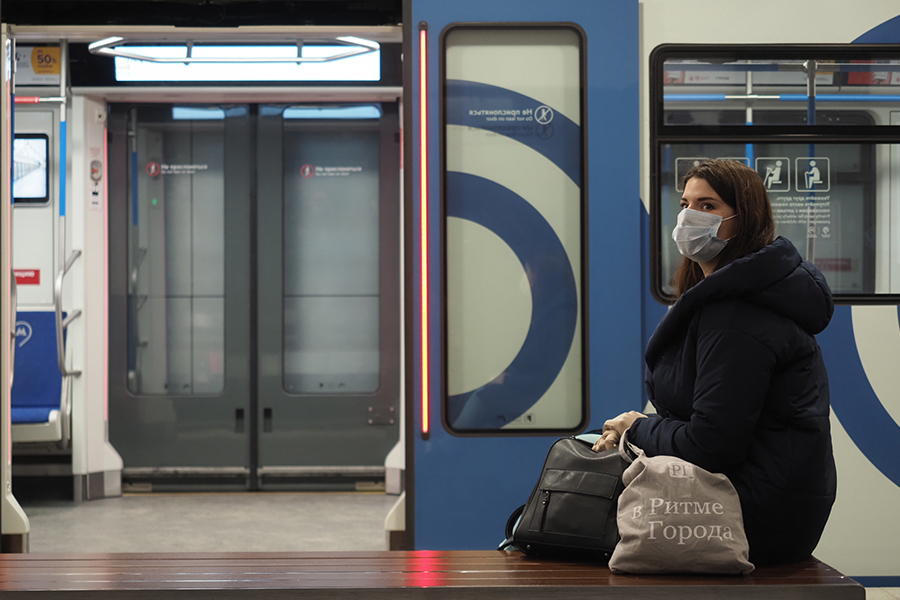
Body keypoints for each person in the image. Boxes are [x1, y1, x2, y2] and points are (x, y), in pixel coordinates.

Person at [594, 159, 836, 566]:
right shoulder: (729, 299)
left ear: (745, 220)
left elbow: (710, 444)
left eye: (708, 206)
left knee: (576, 523)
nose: (689, 217)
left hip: (751, 516)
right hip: (754, 502)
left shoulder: (737, 315)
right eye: (685, 204)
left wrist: (636, 426)